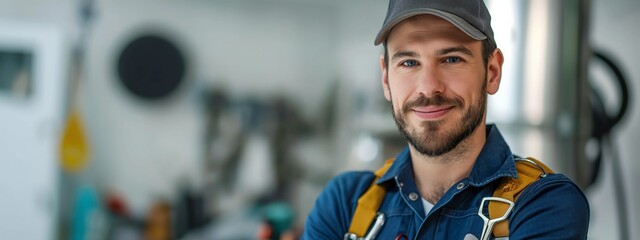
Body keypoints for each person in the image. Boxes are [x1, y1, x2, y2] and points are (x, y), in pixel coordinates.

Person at [303, 0, 590, 239]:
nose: (429, 87)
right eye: (409, 62)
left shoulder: (543, 204)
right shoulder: (346, 202)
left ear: (492, 71)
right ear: (386, 78)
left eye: (451, 59)